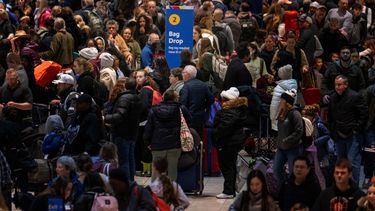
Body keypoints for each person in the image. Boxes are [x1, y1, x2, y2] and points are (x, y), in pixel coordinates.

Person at [327, 75, 368, 184]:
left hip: (352, 135)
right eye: (336, 84)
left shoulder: (355, 96)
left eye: (339, 85)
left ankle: (354, 189)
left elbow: (363, 114)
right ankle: (342, 187)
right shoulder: (333, 97)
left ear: (346, 85)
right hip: (338, 134)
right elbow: (330, 116)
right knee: (341, 162)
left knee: (352, 162)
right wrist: (332, 129)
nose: (337, 87)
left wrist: (356, 129)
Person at [144, 90, 191, 181]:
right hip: (174, 145)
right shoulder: (181, 108)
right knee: (172, 171)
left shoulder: (154, 110)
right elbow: (189, 122)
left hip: (157, 144)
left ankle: (155, 192)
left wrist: (147, 142)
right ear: (175, 98)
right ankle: (171, 192)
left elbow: (148, 128)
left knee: (156, 171)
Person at [104, 77, 143, 181]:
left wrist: (105, 118)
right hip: (132, 133)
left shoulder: (124, 98)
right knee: (130, 159)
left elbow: (119, 116)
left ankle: (126, 183)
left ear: (125, 86)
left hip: (122, 133)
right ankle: (130, 182)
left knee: (123, 161)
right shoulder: (137, 97)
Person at [213, 87, 249, 199]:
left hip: (226, 142)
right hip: (233, 142)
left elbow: (223, 128)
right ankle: (231, 189)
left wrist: (216, 137)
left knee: (226, 166)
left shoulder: (227, 112)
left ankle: (228, 191)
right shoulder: (239, 110)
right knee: (230, 166)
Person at [273, 89, 303, 187]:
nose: (279, 101)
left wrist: (287, 140)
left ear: (286, 102)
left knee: (292, 173)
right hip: (281, 148)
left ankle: (293, 192)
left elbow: (299, 131)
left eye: (281, 99)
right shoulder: (282, 112)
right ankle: (284, 189)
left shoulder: (295, 114)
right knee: (276, 170)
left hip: (293, 149)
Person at [180, 65, 214, 135]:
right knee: (200, 137)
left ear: (188, 74)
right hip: (201, 116)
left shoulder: (186, 87)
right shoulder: (203, 85)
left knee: (191, 138)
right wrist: (204, 106)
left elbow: (182, 104)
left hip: (189, 118)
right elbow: (211, 99)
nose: (182, 74)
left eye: (183, 72)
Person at [270, 64, 297, 131]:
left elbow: (275, 104)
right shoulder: (293, 84)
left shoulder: (280, 86)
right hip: (286, 115)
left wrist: (273, 116)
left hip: (279, 115)